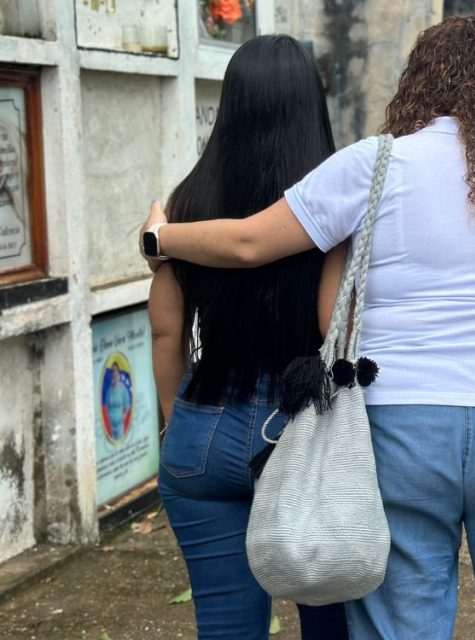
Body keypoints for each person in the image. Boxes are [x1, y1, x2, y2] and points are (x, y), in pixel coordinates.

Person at [142, 17, 475, 640]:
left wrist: (162, 237)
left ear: (421, 80)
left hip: (404, 416)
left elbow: (248, 242)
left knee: (403, 614)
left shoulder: (376, 166)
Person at [148, 35, 347, 639]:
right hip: (307, 430)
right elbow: (328, 324)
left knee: (226, 627)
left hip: (203, 425)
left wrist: (172, 420)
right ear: (312, 105)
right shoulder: (335, 200)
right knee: (331, 622)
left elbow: (165, 328)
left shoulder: (185, 204)